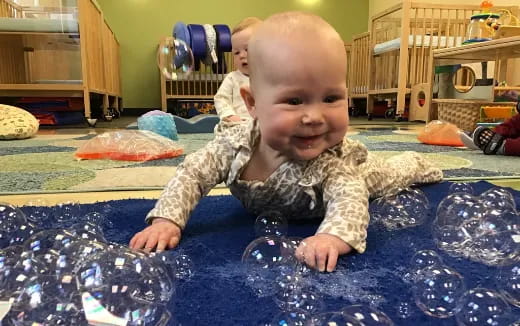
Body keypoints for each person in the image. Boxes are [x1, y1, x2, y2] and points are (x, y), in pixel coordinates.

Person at [130, 11, 443, 272]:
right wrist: (166, 221)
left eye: (331, 98)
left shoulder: (332, 163)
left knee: (392, 175)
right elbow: (192, 173)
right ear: (252, 104)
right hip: (273, 202)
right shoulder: (234, 145)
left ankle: (414, 162)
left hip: (365, 171)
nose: (314, 116)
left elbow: (350, 198)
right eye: (294, 101)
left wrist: (332, 237)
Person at [214, 17, 262, 122]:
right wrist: (230, 116)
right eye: (236, 52)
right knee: (221, 129)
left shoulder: (271, 78)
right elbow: (221, 98)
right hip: (238, 124)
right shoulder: (232, 78)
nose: (241, 56)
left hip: (265, 125)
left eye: (247, 49)